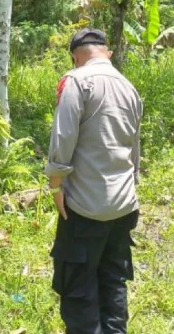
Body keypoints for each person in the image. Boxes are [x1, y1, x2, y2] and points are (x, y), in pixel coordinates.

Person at [46, 28, 143, 334]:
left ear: (76, 56)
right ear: (106, 52)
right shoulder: (129, 87)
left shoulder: (76, 81)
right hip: (124, 205)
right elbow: (134, 148)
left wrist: (55, 185)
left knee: (78, 284)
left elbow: (63, 139)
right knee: (113, 279)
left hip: (85, 207)